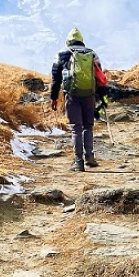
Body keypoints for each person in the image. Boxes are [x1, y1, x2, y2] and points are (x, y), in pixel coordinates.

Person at [50, 27, 107, 171]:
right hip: (89, 95)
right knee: (88, 126)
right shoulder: (92, 53)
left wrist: (54, 98)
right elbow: (99, 76)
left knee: (76, 128)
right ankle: (90, 156)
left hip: (72, 95)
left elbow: (56, 78)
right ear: (81, 40)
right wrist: (100, 97)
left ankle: (78, 162)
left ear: (68, 40)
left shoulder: (62, 53)